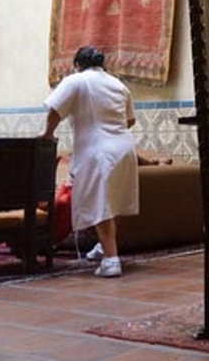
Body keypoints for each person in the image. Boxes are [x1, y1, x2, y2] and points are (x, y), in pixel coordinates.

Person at [39, 45, 139, 277]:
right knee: (114, 201)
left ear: (77, 65)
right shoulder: (118, 84)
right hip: (124, 149)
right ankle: (103, 248)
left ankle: (111, 260)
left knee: (99, 203)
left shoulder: (76, 80)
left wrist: (47, 134)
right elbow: (130, 120)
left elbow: (55, 110)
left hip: (98, 150)